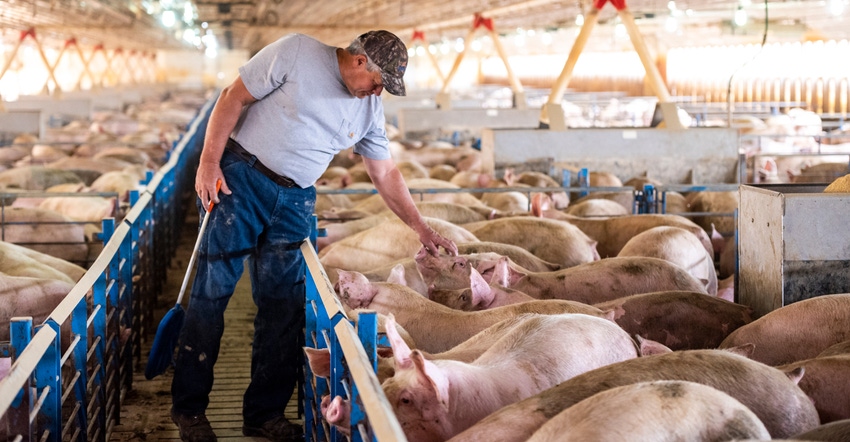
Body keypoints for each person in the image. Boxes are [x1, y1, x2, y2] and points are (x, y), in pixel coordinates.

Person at [169, 30, 459, 442]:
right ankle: (190, 410)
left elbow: (384, 172)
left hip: (295, 200)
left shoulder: (369, 109)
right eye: (378, 81)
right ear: (360, 61)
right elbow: (233, 97)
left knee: (283, 308)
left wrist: (420, 226)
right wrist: (209, 162)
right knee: (212, 295)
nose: (378, 92)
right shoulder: (297, 52)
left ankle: (264, 413)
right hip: (240, 181)